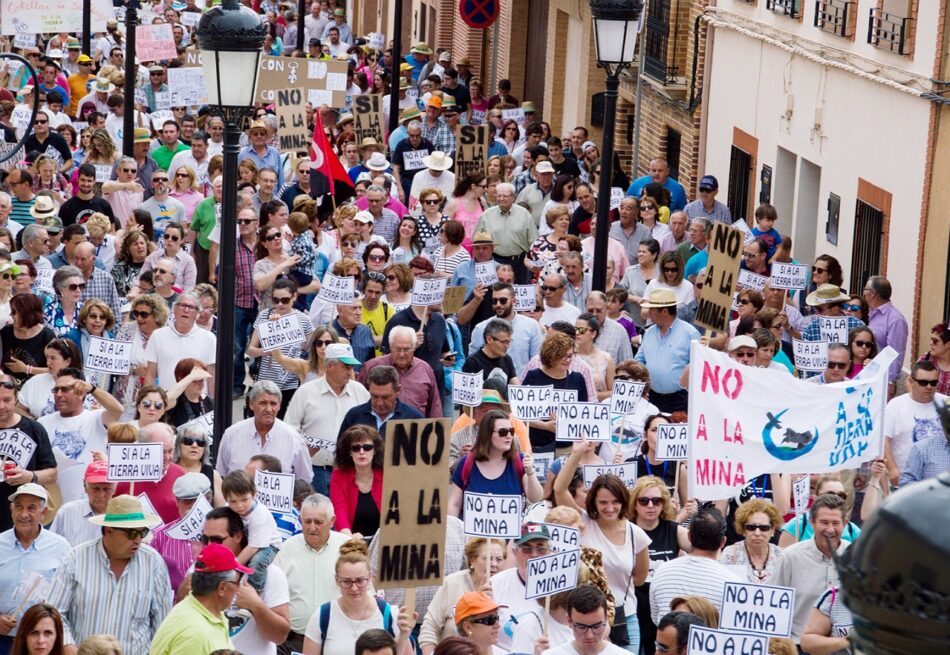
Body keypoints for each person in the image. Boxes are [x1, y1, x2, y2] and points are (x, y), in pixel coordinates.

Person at [554, 443, 651, 652]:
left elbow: (640, 578)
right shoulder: (584, 522)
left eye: (615, 502)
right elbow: (559, 489)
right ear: (593, 503)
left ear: (623, 502)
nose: (609, 508)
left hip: (624, 619)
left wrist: (610, 584)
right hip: (585, 619)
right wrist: (576, 453)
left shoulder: (637, 535)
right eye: (603, 502)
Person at [47, 495, 170, 653]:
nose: (138, 540)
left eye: (143, 532)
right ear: (108, 531)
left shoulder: (154, 563)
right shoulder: (76, 559)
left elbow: (162, 623)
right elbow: (55, 612)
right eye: (132, 533)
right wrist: (68, 646)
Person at [301, 539, 413, 655]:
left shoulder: (390, 615)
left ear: (370, 577)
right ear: (337, 580)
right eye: (346, 581)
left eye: (360, 581)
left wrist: (404, 636)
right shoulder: (322, 616)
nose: (354, 588)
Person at [273, 494, 349, 655]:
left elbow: (366, 593)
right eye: (307, 522)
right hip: (294, 643)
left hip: (337, 642)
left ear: (332, 521)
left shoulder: (347, 549)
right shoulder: (285, 550)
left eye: (318, 522)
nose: (312, 528)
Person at [0, 484, 70, 652]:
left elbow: (70, 594)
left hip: (43, 643)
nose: (24, 514)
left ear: (43, 513)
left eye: (31, 508)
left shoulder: (61, 547)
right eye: (18, 507)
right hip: (3, 641)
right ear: (11, 511)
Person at [771, 494, 849, 644]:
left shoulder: (857, 556)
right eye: (824, 522)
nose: (830, 529)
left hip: (841, 648)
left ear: (845, 523)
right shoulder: (790, 557)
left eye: (835, 523)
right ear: (812, 522)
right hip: (798, 646)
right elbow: (774, 605)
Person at [148, 543, 252, 654]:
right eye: (237, 582)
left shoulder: (208, 613)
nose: (238, 589)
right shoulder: (194, 634)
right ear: (222, 587)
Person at [37, 368, 122, 503]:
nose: (58, 394)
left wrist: (92, 389)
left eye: (65, 389)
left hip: (92, 501)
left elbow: (118, 410)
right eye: (56, 390)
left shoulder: (96, 418)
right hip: (54, 505)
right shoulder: (42, 423)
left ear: (81, 393)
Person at [648, 507, 739, 625]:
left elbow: (656, 618)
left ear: (689, 536)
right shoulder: (733, 582)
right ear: (723, 542)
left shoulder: (662, 570)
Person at [448, 409, 543, 515]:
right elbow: (454, 504)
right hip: (471, 531)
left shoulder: (520, 462)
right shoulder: (466, 463)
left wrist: (530, 472)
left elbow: (536, 498)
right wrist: (452, 529)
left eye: (511, 431)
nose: (508, 436)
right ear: (487, 434)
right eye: (502, 432)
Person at [216, 380, 313, 481]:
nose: (269, 409)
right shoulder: (232, 435)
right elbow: (221, 475)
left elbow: (304, 481)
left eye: (273, 403)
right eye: (263, 403)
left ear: (279, 405)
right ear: (251, 404)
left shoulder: (294, 439)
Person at [419, 538, 503, 653]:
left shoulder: (505, 587)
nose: (493, 564)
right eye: (487, 558)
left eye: (499, 559)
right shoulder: (452, 583)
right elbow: (430, 626)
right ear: (472, 560)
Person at [522, 332, 589, 453]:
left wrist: (565, 422)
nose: (567, 360)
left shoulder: (577, 378)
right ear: (551, 355)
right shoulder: (534, 376)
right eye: (562, 356)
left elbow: (583, 415)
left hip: (566, 447)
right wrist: (545, 426)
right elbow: (520, 415)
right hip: (536, 446)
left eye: (570, 355)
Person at [634, 290, 700, 413]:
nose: (649, 313)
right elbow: (639, 360)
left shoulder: (690, 333)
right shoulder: (648, 333)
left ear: (664, 311)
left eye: (652, 309)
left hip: (680, 399)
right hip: (651, 397)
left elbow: (697, 367)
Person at [359, 327, 443, 418]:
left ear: (414, 347)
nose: (402, 354)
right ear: (390, 347)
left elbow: (435, 407)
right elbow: (357, 398)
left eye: (406, 349)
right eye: (398, 349)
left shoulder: (425, 369)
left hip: (416, 429)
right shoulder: (371, 367)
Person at [149, 472, 211, 593]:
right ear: (177, 502)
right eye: (187, 501)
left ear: (209, 500)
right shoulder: (160, 536)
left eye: (198, 501)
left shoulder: (224, 532)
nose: (193, 507)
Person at [113, 422, 186, 525]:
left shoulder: (180, 475)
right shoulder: (125, 476)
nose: (167, 457)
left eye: (170, 451)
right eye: (161, 451)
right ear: (144, 449)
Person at [144, 293, 216, 392]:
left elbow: (212, 376)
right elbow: (150, 374)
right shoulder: (157, 335)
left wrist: (212, 404)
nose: (186, 310)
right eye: (182, 305)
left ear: (197, 313)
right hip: (167, 400)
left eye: (191, 307)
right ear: (174, 308)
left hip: (197, 402)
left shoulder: (209, 338)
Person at [329, 425, 383, 537]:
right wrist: (347, 536)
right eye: (356, 448)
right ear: (349, 452)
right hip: (352, 540)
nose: (362, 452)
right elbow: (339, 509)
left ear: (375, 450)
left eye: (367, 447)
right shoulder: (339, 476)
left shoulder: (386, 474)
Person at [49, 460, 114, 545]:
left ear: (114, 488)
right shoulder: (67, 511)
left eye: (106, 489)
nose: (101, 495)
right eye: (95, 488)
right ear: (85, 486)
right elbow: (52, 546)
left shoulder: (123, 515)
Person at [720, 498, 784, 583]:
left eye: (764, 528)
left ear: (772, 530)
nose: (757, 533)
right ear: (743, 530)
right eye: (751, 527)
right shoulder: (731, 554)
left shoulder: (781, 556)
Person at [862, 275, 907, 394]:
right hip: (865, 375)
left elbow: (895, 354)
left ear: (872, 293)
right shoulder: (869, 312)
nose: (863, 293)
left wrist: (890, 383)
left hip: (881, 381)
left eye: (865, 289)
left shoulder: (895, 319)